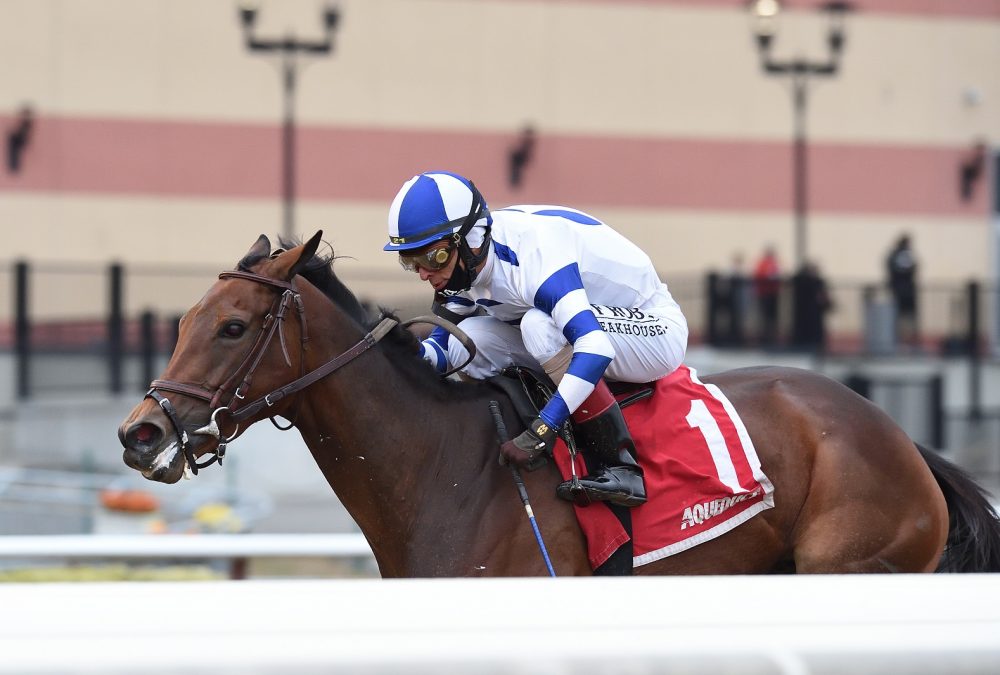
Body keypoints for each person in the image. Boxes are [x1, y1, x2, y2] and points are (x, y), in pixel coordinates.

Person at [384, 171, 689, 507]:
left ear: (469, 240)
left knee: (538, 326)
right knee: (468, 337)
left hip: (656, 330)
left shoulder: (533, 255)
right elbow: (439, 354)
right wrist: (391, 354)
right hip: (590, 325)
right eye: (411, 262)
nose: (425, 273)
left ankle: (620, 465)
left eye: (434, 257)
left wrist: (544, 428)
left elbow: (595, 348)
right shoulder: (463, 268)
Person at [885, 234, 919, 349]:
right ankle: (900, 341)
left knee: (907, 317)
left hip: (904, 290)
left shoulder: (904, 254)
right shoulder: (900, 255)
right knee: (900, 316)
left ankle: (909, 341)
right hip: (902, 290)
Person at [753, 246, 781, 347]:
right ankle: (764, 337)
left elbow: (777, 274)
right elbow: (759, 275)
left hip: (773, 294)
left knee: (772, 317)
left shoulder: (774, 263)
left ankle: (772, 336)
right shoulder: (762, 264)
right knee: (764, 316)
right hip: (763, 294)